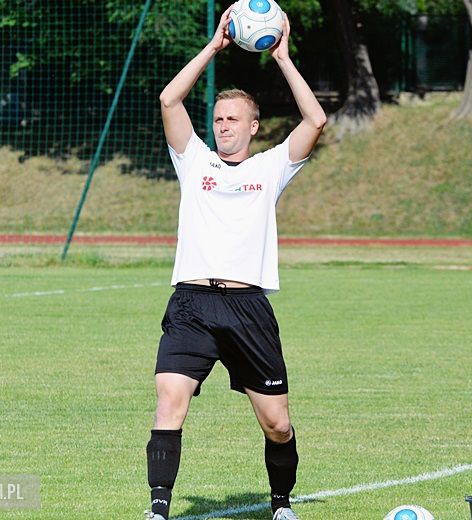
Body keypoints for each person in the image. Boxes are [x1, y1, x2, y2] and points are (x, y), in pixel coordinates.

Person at [143, 5, 326, 520]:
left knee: (276, 424)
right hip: (192, 305)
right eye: (219, 118)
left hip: (248, 308)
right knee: (168, 403)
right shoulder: (193, 160)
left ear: (253, 126)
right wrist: (214, 47)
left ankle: (281, 505)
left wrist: (283, 58)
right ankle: (158, 511)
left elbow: (316, 119)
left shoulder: (271, 168)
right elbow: (169, 98)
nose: (224, 126)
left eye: (233, 119)